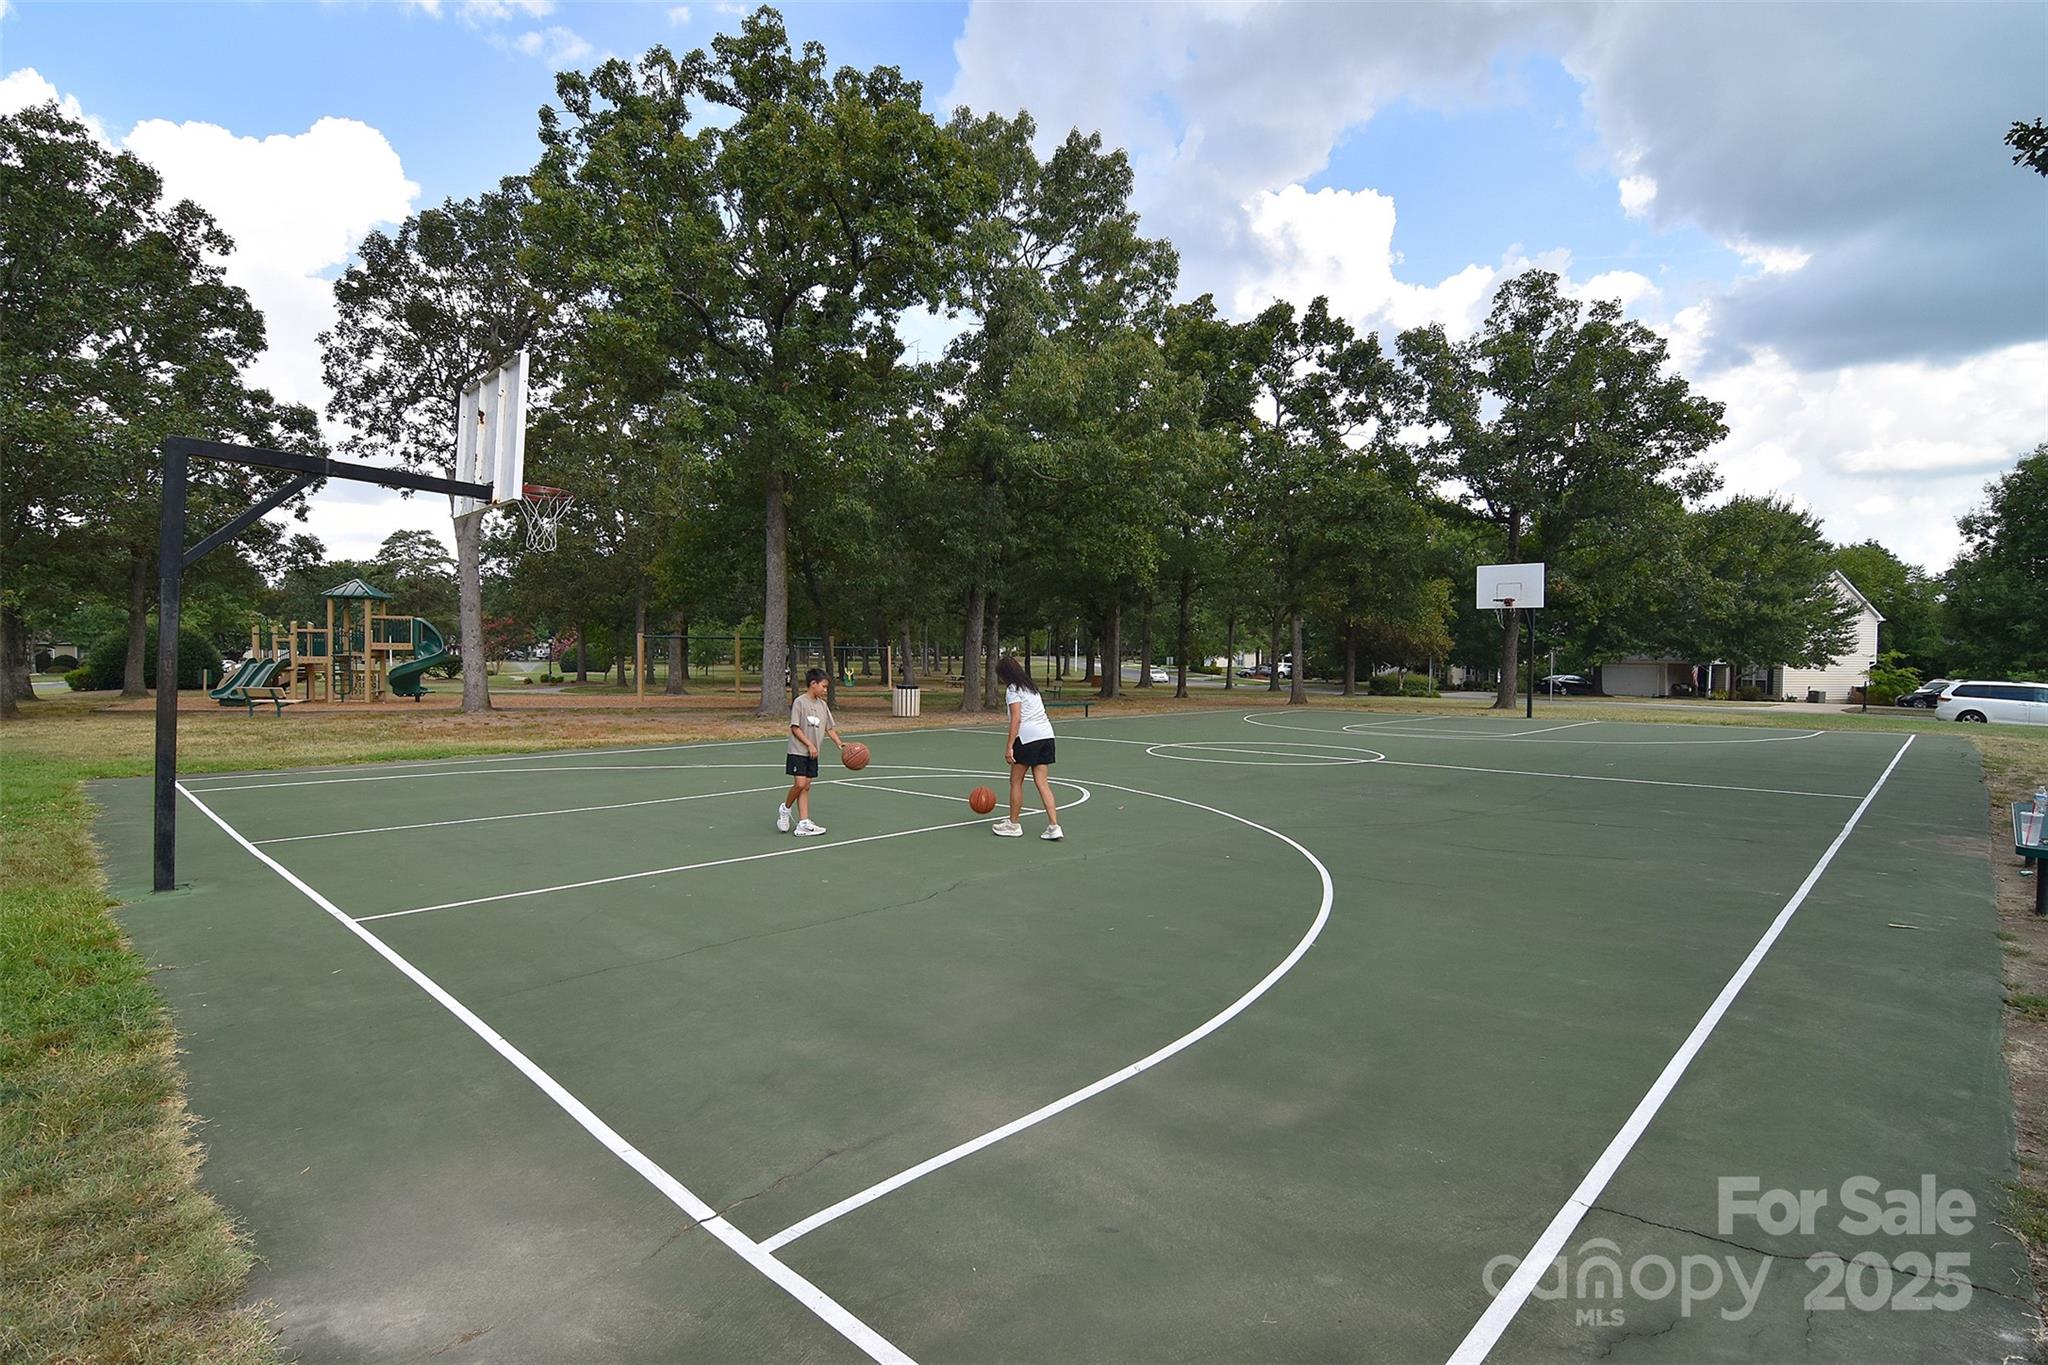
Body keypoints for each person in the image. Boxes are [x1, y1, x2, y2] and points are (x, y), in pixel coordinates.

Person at [993, 655, 1062, 841]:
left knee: (1015, 781)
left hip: (1027, 738)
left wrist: (1009, 747)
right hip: (1046, 735)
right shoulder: (1031, 688)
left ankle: (1014, 824)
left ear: (1005, 674)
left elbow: (1016, 718)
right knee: (1042, 782)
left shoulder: (1013, 690)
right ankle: (1054, 826)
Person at [778, 669, 846, 837]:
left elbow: (829, 728)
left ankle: (803, 822)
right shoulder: (800, 702)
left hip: (813, 753)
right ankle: (785, 809)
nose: (825, 690)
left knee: (806, 787)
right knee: (800, 784)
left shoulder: (822, 705)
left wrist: (839, 743)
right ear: (813, 684)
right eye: (823, 686)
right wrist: (809, 744)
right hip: (798, 751)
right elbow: (795, 728)